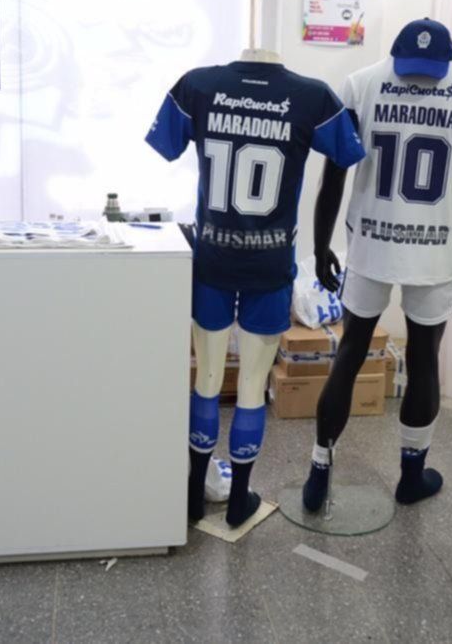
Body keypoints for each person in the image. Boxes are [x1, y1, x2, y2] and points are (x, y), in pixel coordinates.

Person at [301, 18, 452, 511]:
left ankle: (319, 470)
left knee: (350, 351)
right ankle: (411, 476)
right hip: (435, 249)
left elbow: (333, 178)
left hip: (371, 243)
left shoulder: (359, 86)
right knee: (424, 360)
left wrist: (321, 245)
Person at [146, 47, 365, 528]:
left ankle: (193, 494)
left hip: (213, 258)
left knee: (206, 378)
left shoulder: (197, 85)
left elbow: (165, 144)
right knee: (251, 384)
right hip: (269, 263)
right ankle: (238, 499)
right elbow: (348, 153)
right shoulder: (313, 96)